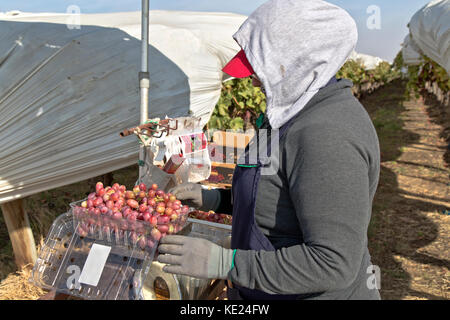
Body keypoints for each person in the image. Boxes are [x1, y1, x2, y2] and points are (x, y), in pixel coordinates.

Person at [157, 0, 381, 300]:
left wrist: (227, 263)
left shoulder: (327, 134)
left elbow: (333, 263)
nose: (250, 77)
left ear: (297, 62)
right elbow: (276, 199)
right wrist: (214, 199)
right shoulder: (285, 115)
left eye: (258, 66)